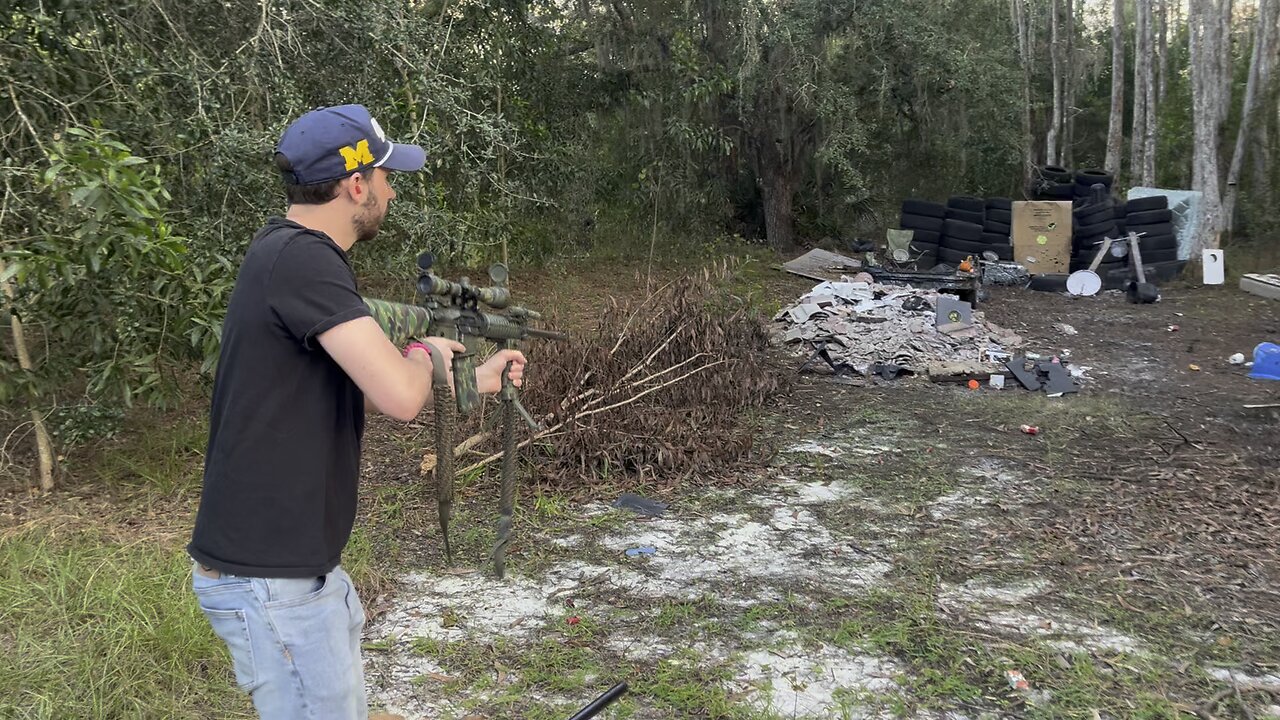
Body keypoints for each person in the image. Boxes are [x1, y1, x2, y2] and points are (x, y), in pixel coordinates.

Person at [186, 104, 526, 720]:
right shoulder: (305, 259)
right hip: (273, 577)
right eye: (387, 177)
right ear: (355, 185)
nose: (391, 192)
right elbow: (399, 395)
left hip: (291, 569)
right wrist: (425, 351)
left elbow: (360, 386)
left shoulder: (287, 253)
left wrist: (475, 377)